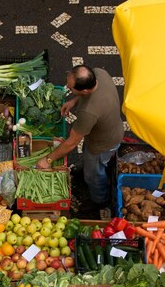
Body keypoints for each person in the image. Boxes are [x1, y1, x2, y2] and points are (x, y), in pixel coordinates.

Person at [37, 65, 124, 216]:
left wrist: (47, 159)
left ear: (84, 90)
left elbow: (72, 142)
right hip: (109, 128)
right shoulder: (100, 74)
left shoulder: (88, 112)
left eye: (71, 88)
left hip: (102, 144)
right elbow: (87, 95)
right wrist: (74, 101)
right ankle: (86, 173)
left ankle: (99, 201)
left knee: (94, 174)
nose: (68, 88)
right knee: (89, 163)